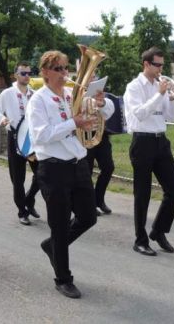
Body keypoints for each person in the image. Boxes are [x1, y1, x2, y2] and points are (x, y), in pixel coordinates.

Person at [26, 50, 113, 299]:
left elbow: (105, 115)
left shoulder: (69, 94)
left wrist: (100, 103)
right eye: (59, 69)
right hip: (53, 168)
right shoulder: (38, 100)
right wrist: (74, 123)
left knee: (88, 217)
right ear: (45, 72)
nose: (65, 74)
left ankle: (52, 245)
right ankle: (63, 278)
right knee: (61, 224)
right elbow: (41, 135)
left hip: (78, 164)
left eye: (66, 68)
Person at [123, 47, 174, 256]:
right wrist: (159, 94)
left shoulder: (161, 87)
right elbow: (139, 113)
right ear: (146, 64)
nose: (160, 69)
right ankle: (140, 239)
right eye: (157, 65)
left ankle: (158, 230)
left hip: (160, 141)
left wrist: (172, 98)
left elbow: (172, 117)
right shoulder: (134, 87)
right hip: (142, 142)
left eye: (162, 65)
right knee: (143, 194)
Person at [0, 62, 40, 225]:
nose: (27, 76)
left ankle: (29, 199)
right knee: (18, 179)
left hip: (31, 141)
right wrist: (2, 119)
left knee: (41, 174)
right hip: (15, 139)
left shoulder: (34, 94)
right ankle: (22, 211)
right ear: (15, 75)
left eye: (29, 73)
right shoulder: (7, 93)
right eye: (23, 73)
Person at [86, 75, 115, 216]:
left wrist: (101, 103)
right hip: (84, 136)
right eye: (90, 76)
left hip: (101, 135)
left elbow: (109, 112)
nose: (93, 78)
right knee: (87, 171)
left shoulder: (101, 96)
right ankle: (90, 204)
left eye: (95, 77)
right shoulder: (75, 93)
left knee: (108, 167)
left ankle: (99, 199)